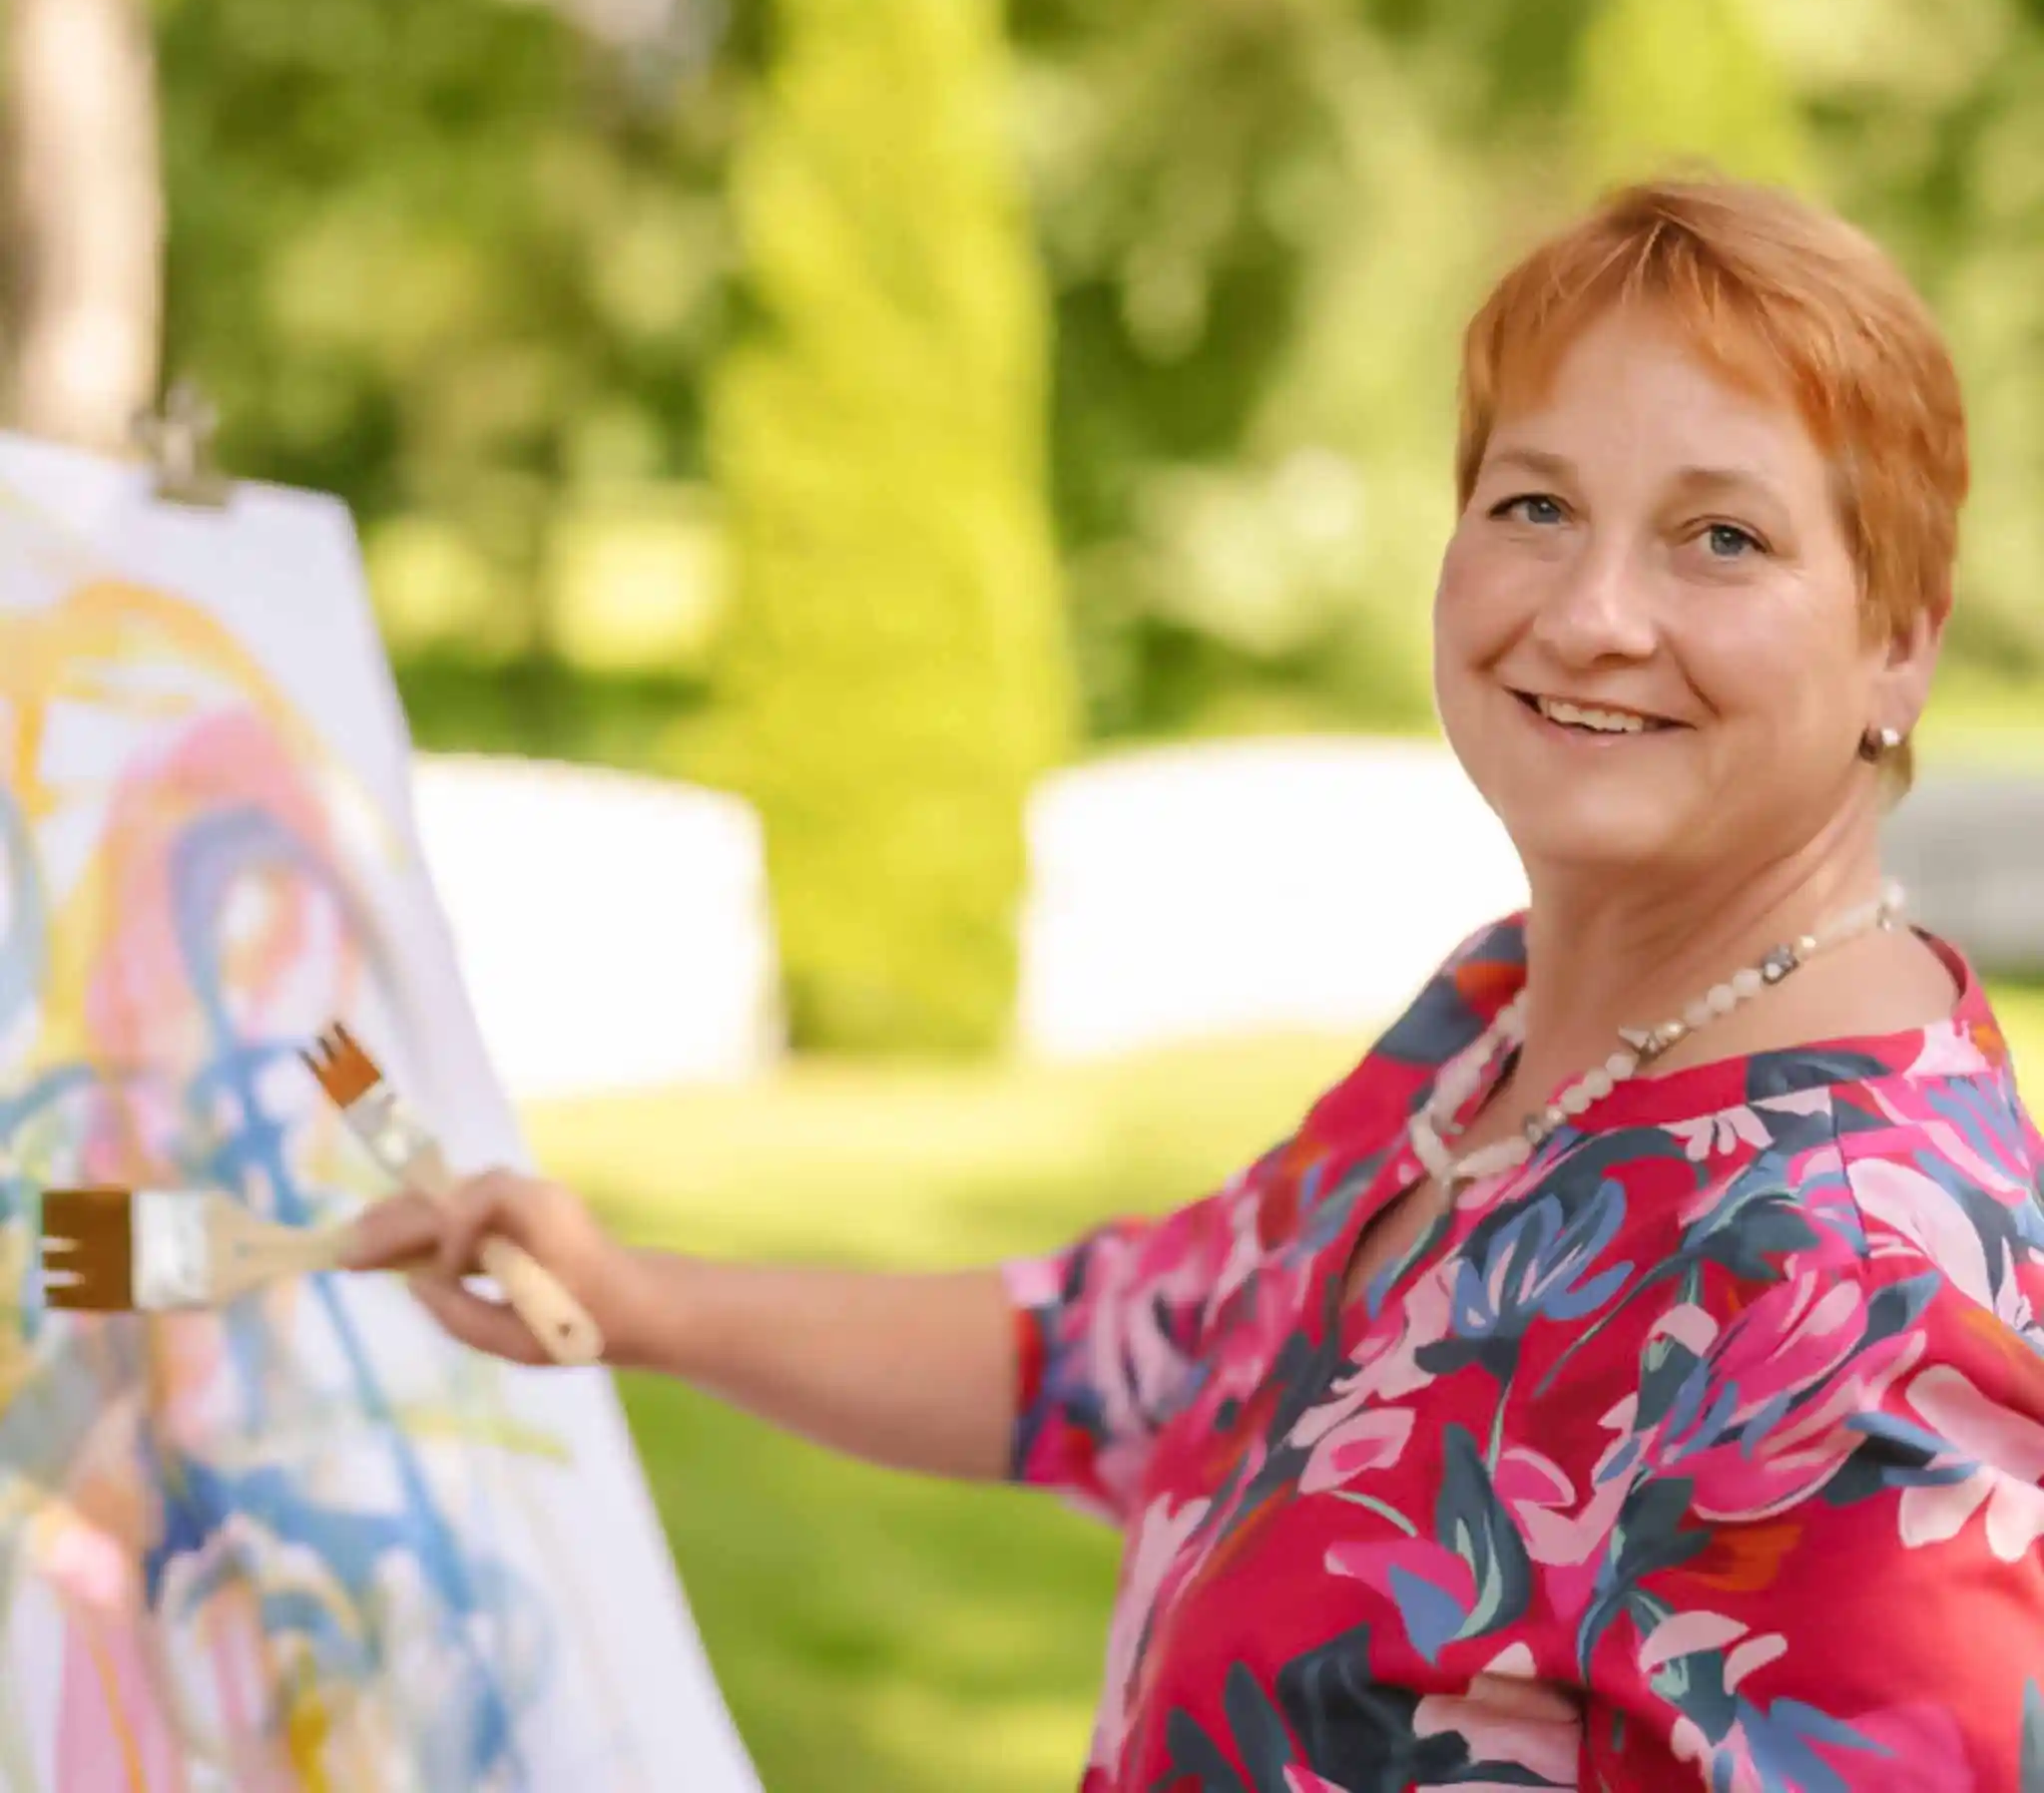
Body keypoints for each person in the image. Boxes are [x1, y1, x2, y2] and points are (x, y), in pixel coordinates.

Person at [348, 176, 2044, 1790]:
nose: (1594, 612)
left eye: (1721, 538)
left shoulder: (1863, 1290)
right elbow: (1120, 1346)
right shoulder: (1496, 1031)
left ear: (1899, 636)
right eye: (1534, 505)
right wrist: (633, 1300)